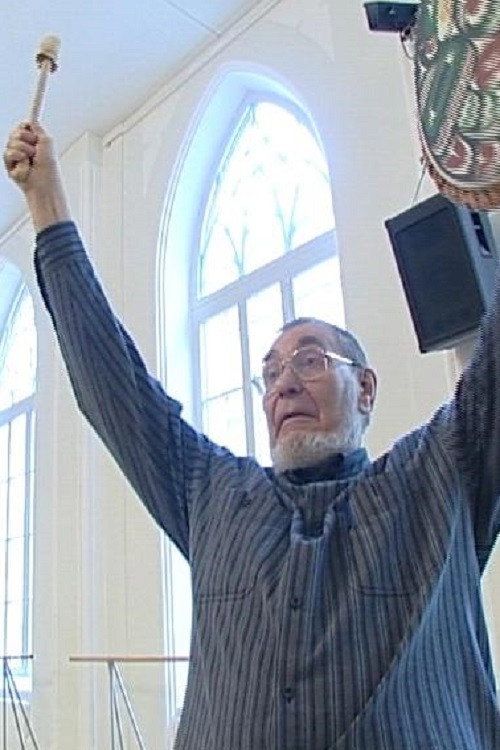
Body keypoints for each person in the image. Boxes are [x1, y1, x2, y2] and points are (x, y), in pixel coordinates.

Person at [3, 123, 500, 750]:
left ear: (366, 389)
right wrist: (47, 202)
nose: (284, 384)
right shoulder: (212, 493)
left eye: (311, 360)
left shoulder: (440, 473)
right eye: (270, 373)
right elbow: (112, 384)